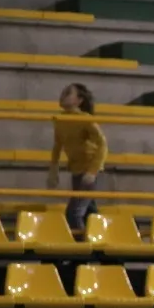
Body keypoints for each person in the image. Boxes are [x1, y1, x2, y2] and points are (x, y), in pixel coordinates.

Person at [48, 82, 106, 233]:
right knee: (89, 212)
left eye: (68, 93)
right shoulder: (60, 120)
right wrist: (53, 171)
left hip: (88, 170)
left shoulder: (84, 119)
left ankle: (80, 250)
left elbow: (102, 144)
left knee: (74, 213)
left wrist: (92, 171)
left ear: (79, 100)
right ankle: (102, 244)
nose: (62, 96)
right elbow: (57, 146)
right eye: (63, 92)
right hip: (76, 170)